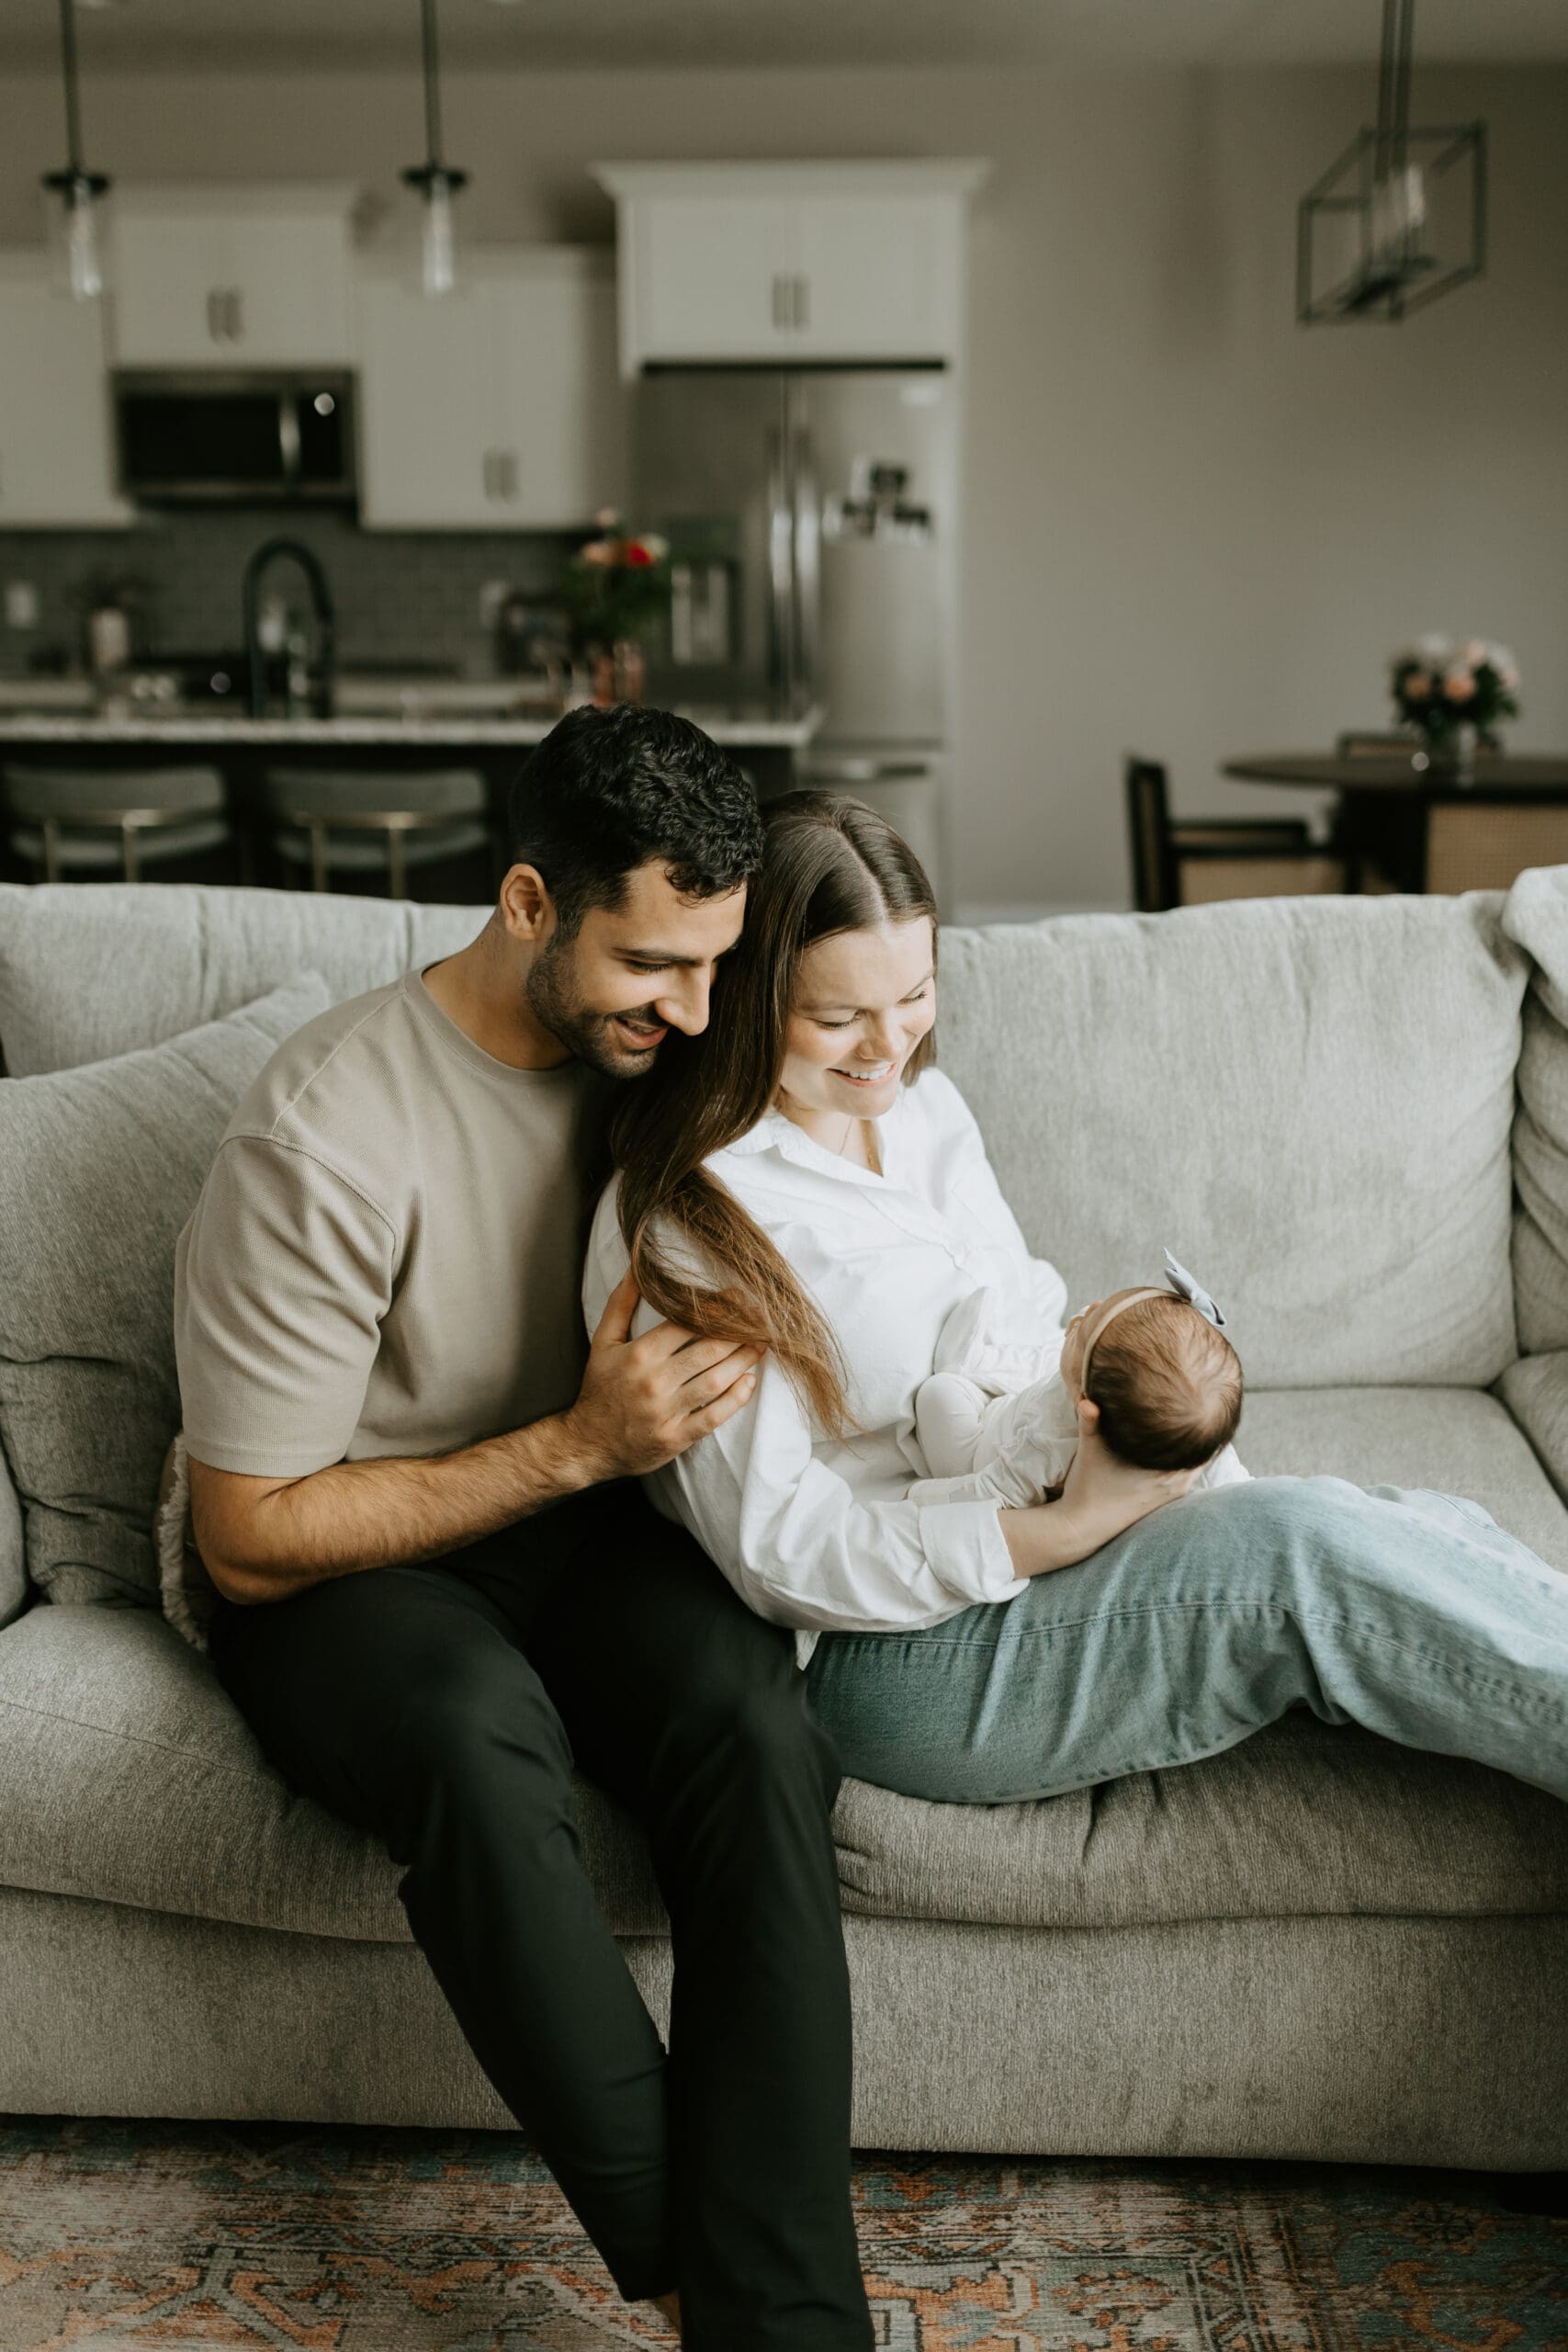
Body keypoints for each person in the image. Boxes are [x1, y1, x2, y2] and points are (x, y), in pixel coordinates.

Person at [175, 711, 874, 2352]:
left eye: (714, 966)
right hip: (346, 1555)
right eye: (653, 964)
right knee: (477, 1746)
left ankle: (791, 2330)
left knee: (751, 1724)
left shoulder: (675, 1053)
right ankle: (700, 2279)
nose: (694, 1013)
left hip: (579, 1517)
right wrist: (573, 1445)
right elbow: (247, 1537)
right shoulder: (325, 1131)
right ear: (526, 904)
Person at [583, 787, 1568, 1809]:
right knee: (1300, 1556)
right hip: (895, 1649)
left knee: (1408, 1522)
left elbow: (1015, 1322)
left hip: (1040, 1501)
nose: (889, 1047)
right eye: (838, 1018)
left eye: (914, 996)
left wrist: (1114, 1445)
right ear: (745, 1000)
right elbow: (782, 1550)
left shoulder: (921, 1107)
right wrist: (1061, 1530)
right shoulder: (694, 1224)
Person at [910, 1260, 1247, 1509]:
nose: (1090, 1308)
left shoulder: (1047, 1442)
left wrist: (918, 1497)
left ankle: (965, 1370)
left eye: (1085, 1329)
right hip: (1036, 1396)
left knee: (938, 1393)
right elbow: (1239, 1491)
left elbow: (992, 1491)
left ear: (1086, 1407)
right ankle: (983, 1362)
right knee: (1049, 1355)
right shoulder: (1196, 1440)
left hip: (989, 1441)